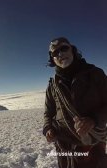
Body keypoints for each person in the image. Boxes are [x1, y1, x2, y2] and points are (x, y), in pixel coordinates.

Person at [43, 37, 107, 168]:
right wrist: (48, 128)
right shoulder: (52, 86)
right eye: (55, 53)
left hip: (92, 145)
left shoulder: (95, 74)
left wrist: (93, 120)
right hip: (63, 146)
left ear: (72, 50)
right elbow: (48, 112)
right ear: (53, 59)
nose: (60, 54)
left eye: (64, 48)